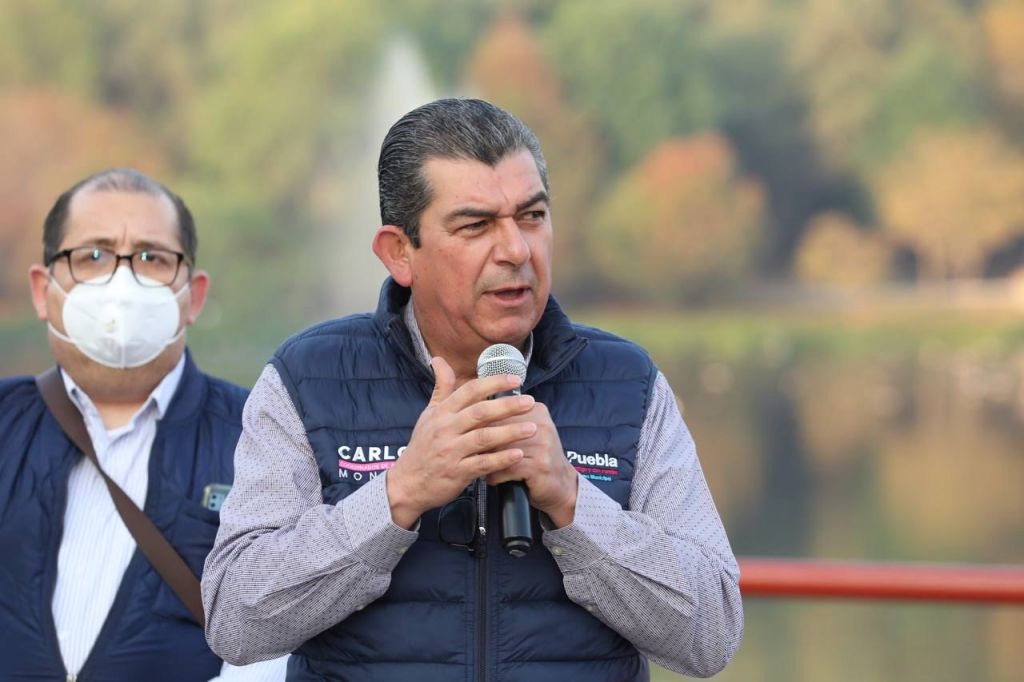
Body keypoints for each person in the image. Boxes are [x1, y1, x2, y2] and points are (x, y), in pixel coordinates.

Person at [203, 99, 743, 681]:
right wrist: (399, 494)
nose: (516, 250)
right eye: (475, 225)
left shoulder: (626, 382)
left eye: (531, 216)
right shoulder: (310, 377)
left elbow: (711, 634)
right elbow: (236, 620)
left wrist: (572, 502)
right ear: (399, 253)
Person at [0, 169, 287, 681]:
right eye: (93, 255)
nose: (122, 283)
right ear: (43, 291)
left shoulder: (261, 438)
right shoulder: (6, 425)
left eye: (152, 258)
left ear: (193, 296)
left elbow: (280, 634)